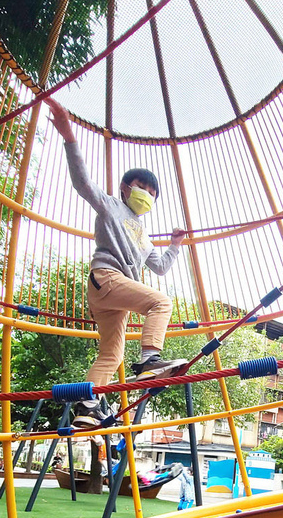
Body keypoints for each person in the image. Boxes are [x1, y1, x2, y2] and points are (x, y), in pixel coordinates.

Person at [46, 98, 187, 428]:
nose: (147, 194)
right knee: (161, 302)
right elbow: (82, 183)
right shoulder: (111, 206)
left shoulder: (144, 235)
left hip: (114, 298)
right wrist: (69, 138)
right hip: (106, 277)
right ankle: (151, 359)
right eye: (142, 187)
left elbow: (161, 267)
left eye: (153, 191)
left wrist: (176, 244)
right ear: (126, 188)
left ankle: (86, 405)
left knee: (112, 355)